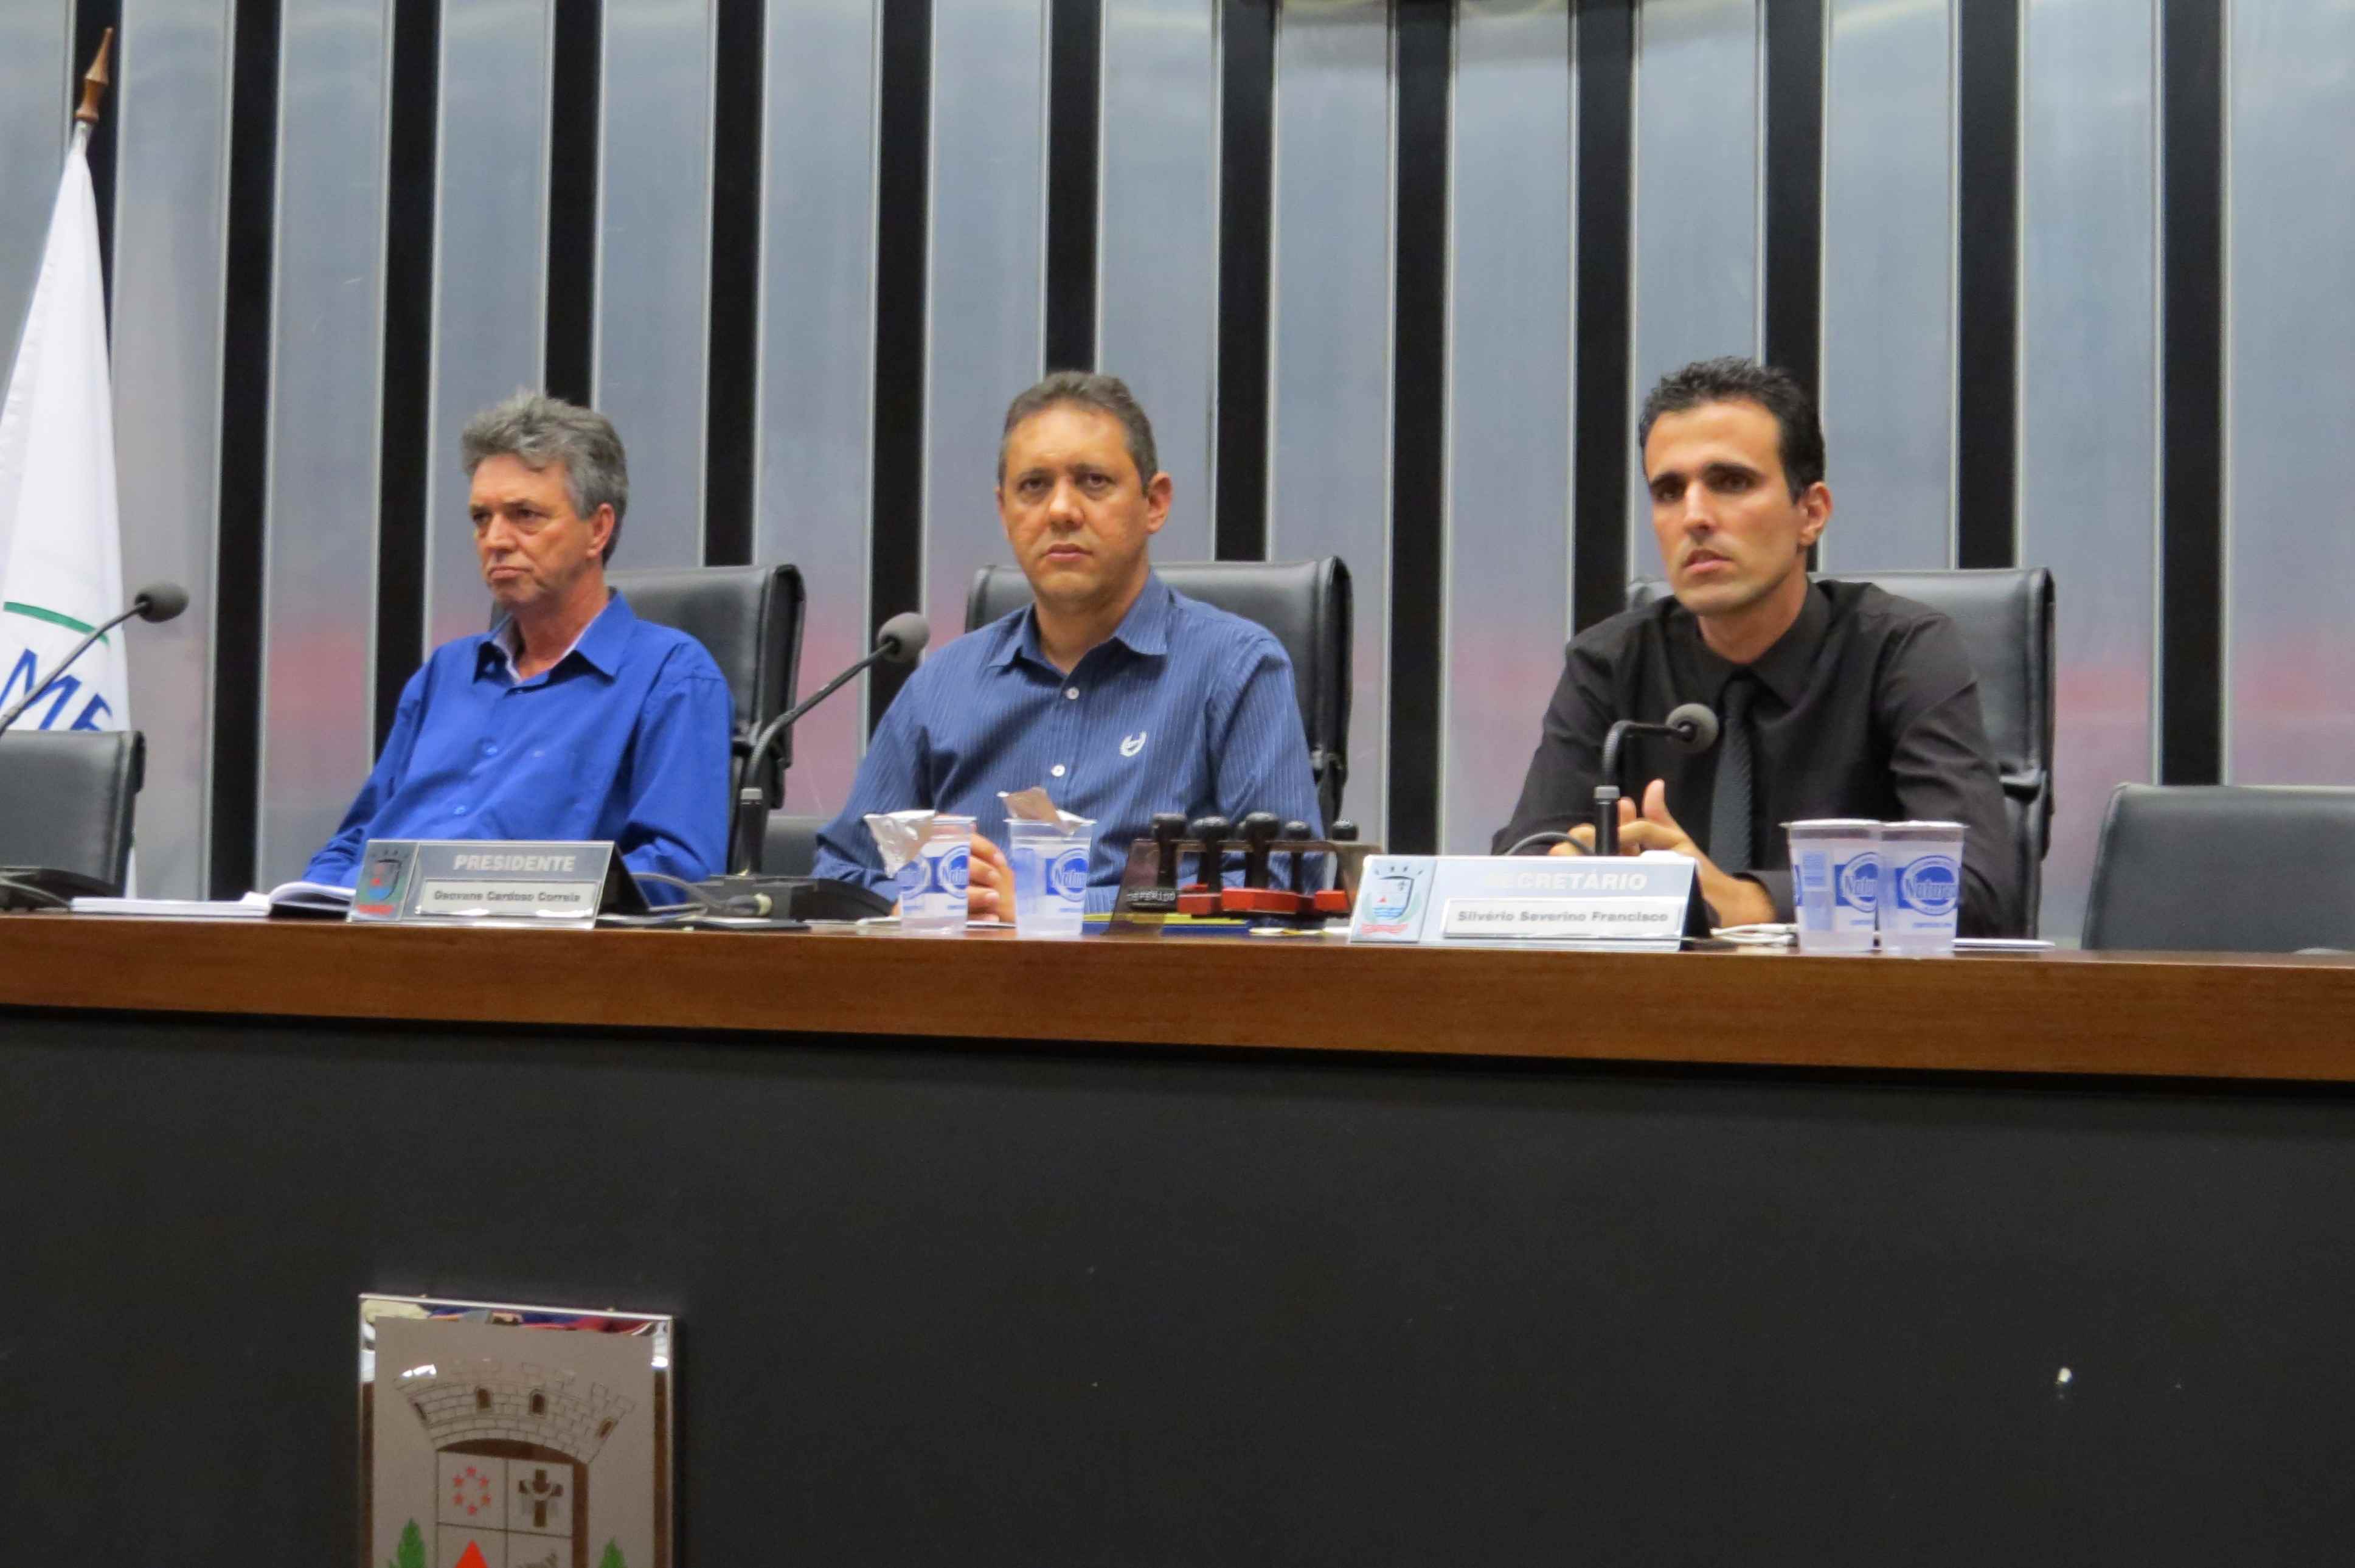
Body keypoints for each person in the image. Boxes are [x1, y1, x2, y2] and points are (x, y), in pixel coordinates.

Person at [1491, 356, 2020, 935]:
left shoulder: (1902, 652)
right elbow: (1522, 860)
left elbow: (1977, 889)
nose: (1695, 516)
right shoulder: (1609, 664)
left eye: (1731, 482)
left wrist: (1752, 902)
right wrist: (1565, 874)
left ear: (1811, 513)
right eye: (1669, 491)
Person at [812, 371, 1322, 915]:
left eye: (1093, 481)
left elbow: (1283, 885)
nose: (1060, 510)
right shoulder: (942, 685)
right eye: (1034, 486)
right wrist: (918, 898)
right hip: (963, 969)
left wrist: (1054, 906)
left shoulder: (1236, 668)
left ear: (1154, 503)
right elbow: (841, 873)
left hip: (1151, 971)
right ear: (1005, 512)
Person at [302, 392, 731, 889]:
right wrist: (306, 903)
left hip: (528, 935)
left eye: (525, 514)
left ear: (597, 530)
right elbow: (353, 843)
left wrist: (505, 895)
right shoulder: (445, 674)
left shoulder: (670, 676)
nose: (496, 540)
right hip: (373, 925)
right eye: (481, 518)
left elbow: (676, 874)